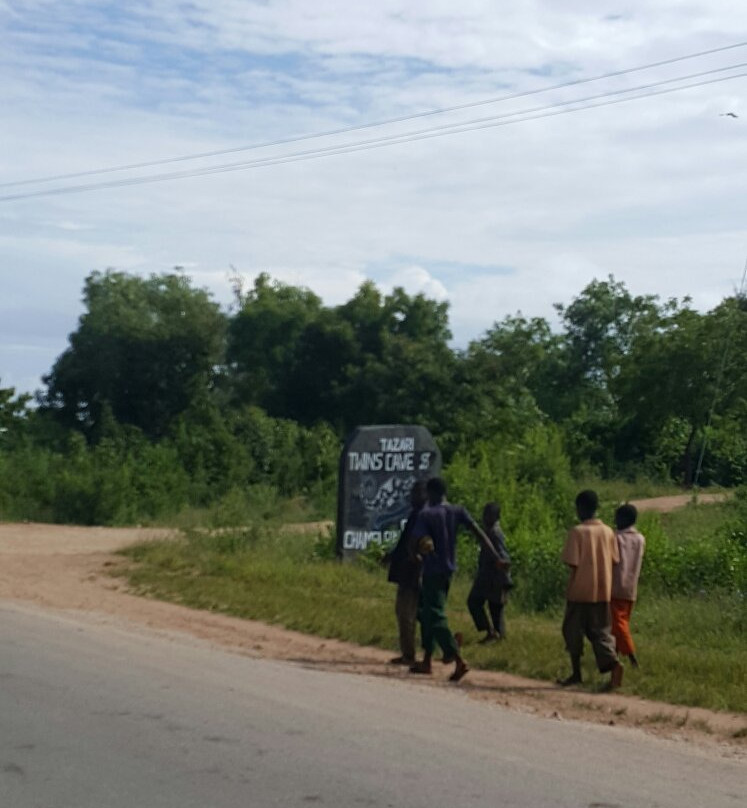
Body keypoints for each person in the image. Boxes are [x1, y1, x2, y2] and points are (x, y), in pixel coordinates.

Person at [409, 477, 506, 682]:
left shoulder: (426, 514)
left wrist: (415, 555)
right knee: (426, 613)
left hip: (432, 571)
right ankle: (426, 659)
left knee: (434, 614)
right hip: (448, 570)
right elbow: (480, 534)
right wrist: (497, 557)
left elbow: (415, 542)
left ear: (430, 493)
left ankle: (456, 657)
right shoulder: (457, 511)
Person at [558, 490, 624, 689]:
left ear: (580, 508)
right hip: (603, 591)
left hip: (580, 592)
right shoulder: (608, 531)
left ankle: (576, 673)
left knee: (572, 631)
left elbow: (572, 562)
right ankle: (613, 664)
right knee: (601, 633)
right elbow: (614, 560)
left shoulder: (577, 532)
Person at [382, 480, 427, 665]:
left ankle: (409, 654)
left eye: (416, 493)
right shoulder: (416, 515)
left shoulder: (421, 516)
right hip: (410, 571)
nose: (411, 497)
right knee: (413, 613)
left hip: (412, 572)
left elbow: (414, 545)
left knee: (405, 613)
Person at [467, 502, 512, 643]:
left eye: (489, 515)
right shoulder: (490, 531)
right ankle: (496, 634)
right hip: (489, 576)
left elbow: (503, 556)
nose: (485, 517)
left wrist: (504, 575)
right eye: (484, 514)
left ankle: (493, 633)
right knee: (493, 608)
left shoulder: (494, 533)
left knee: (478, 603)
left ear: (496, 517)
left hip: (493, 577)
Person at [611, 503, 646, 668]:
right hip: (631, 588)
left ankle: (632, 657)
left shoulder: (616, 537)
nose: (615, 520)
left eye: (617, 517)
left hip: (615, 586)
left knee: (619, 624)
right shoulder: (640, 539)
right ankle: (615, 658)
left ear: (624, 519)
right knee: (621, 623)